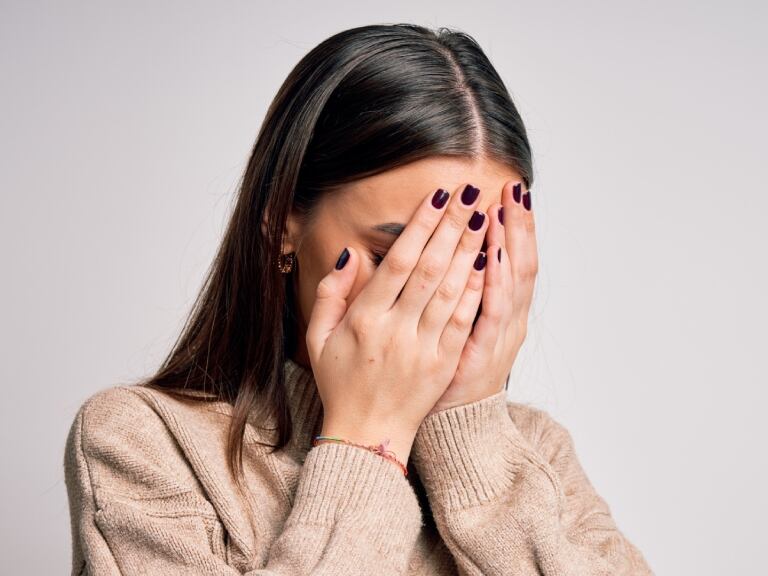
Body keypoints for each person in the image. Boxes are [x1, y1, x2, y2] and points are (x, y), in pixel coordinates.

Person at [64, 23, 654, 575]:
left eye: (473, 260)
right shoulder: (144, 443)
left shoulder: (532, 451)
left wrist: (473, 440)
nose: (441, 297)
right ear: (281, 224)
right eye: (397, 258)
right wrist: (367, 438)